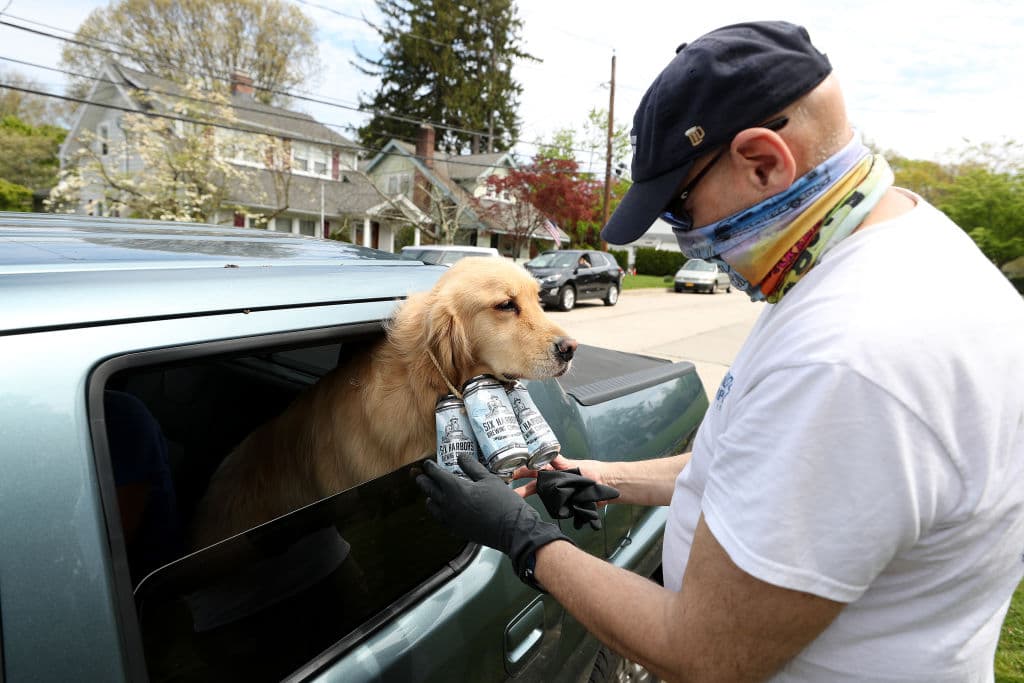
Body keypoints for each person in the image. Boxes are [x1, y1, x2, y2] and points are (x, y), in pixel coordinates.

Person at [416, 20, 1024, 681]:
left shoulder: (850, 355)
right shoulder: (867, 256)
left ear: (763, 161)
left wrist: (526, 540)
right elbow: (749, 467)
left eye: (681, 208)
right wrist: (597, 476)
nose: (688, 238)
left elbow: (706, 652)